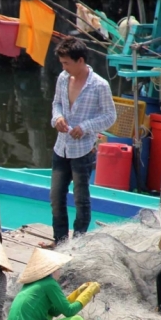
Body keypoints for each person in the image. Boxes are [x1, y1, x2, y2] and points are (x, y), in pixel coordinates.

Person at [44, 37, 116, 248]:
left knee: (81, 199)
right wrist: (56, 118)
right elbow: (56, 103)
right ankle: (60, 241)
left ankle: (78, 242)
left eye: (67, 62)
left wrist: (85, 127)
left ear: (81, 60)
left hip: (83, 150)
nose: (64, 67)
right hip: (61, 147)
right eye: (62, 63)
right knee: (56, 196)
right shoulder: (63, 78)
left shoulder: (99, 85)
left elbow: (110, 116)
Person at [5, 248, 100, 320]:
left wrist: (78, 293)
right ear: (52, 270)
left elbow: (54, 311)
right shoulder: (49, 284)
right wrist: (89, 293)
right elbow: (69, 312)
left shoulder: (29, 284)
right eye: (59, 268)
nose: (60, 272)